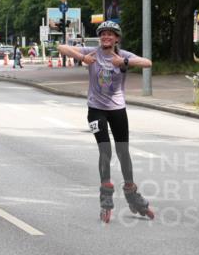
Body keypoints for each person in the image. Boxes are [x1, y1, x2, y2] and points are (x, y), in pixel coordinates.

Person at [57, 20, 154, 223]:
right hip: (95, 110)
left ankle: (130, 190)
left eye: (110, 34)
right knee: (105, 150)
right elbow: (61, 47)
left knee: (123, 152)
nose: (106, 37)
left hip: (118, 110)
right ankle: (106, 192)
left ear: (117, 38)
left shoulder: (123, 55)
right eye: (103, 34)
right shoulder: (92, 52)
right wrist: (82, 57)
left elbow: (147, 63)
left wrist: (125, 63)